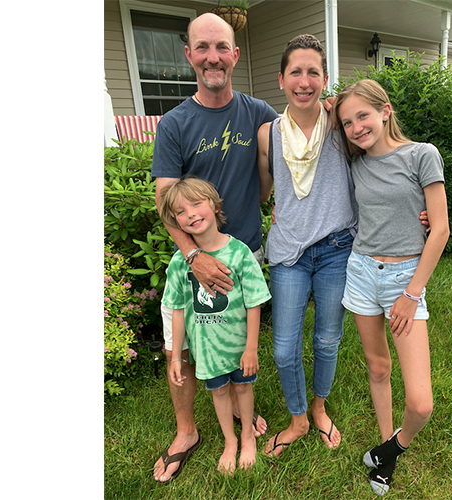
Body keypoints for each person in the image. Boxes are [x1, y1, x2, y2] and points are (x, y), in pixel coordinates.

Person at [151, 12, 278, 483]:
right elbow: (167, 203)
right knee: (179, 347)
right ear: (189, 55)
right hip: (192, 260)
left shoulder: (259, 113)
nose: (212, 57)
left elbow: (305, 137)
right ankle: (187, 431)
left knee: (239, 340)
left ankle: (244, 416)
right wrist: (194, 257)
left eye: (221, 47)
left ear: (235, 54)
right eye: (202, 47)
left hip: (244, 253)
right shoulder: (175, 124)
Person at [333, 79, 450, 496]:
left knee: (421, 402)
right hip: (362, 273)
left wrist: (412, 293)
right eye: (346, 122)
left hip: (405, 280)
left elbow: (440, 230)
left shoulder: (421, 155)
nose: (356, 127)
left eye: (362, 115)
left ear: (385, 110)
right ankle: (387, 452)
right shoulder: (354, 164)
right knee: (378, 368)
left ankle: (393, 447)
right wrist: (331, 104)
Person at [255, 34, 357, 457]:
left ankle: (318, 408)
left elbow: (381, 158)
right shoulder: (267, 134)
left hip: (337, 248)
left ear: (326, 79)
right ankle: (296, 418)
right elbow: (262, 194)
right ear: (281, 79)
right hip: (288, 254)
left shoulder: (341, 124)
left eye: (313, 72)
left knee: (328, 339)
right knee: (283, 347)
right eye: (295, 71)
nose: (304, 80)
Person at [160, 176, 272, 475]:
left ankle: (248, 438)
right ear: (176, 222)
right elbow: (179, 311)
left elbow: (254, 302)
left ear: (215, 205)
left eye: (197, 204)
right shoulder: (179, 263)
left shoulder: (239, 254)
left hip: (238, 347)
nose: (191, 214)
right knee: (220, 393)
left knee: (243, 389)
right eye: (181, 212)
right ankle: (230, 441)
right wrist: (174, 357)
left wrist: (251, 348)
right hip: (207, 350)